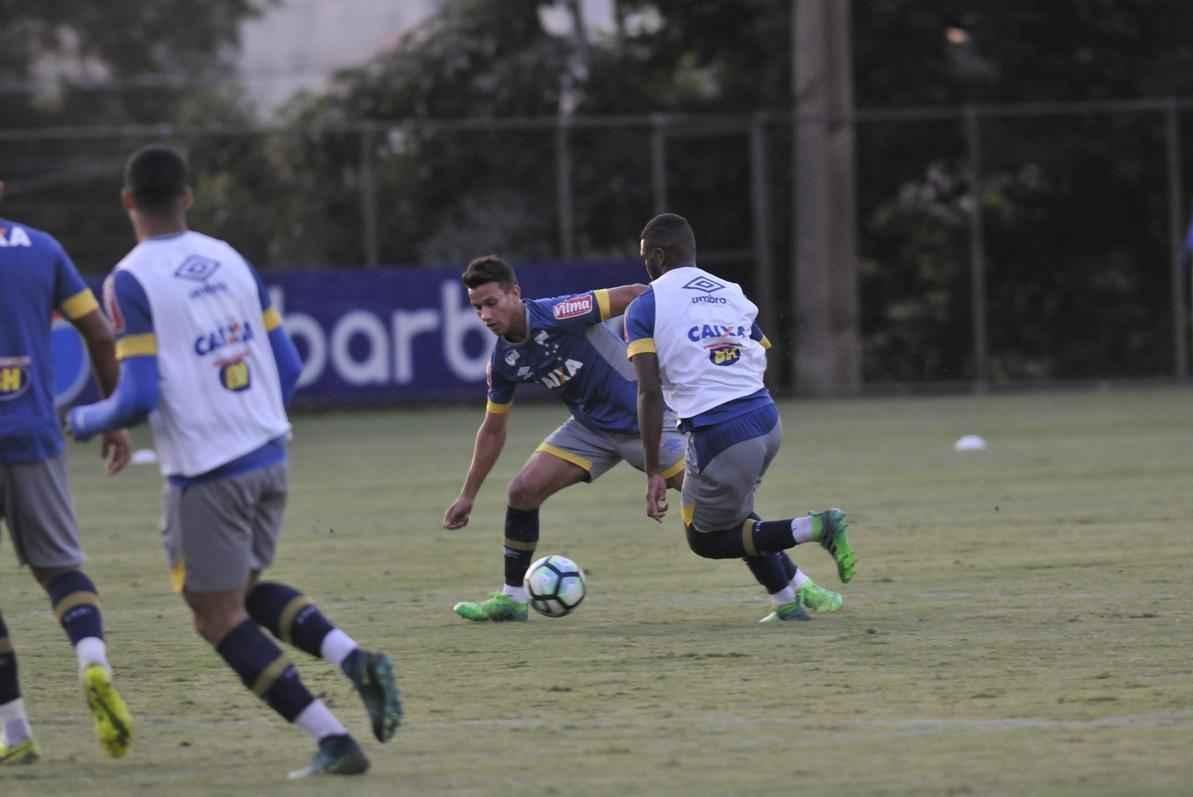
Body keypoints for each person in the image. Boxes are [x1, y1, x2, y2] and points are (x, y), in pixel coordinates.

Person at [64, 145, 402, 778]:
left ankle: (332, 738)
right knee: (241, 590)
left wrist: (82, 419)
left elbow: (136, 396)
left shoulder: (129, 279)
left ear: (128, 202)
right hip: (270, 453)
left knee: (214, 617)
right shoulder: (230, 257)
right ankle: (353, 659)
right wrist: (251, 421)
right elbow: (291, 366)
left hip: (208, 473)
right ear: (188, 197)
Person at [444, 255, 843, 622]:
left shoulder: (559, 312)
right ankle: (514, 599)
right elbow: (492, 429)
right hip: (590, 430)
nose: (484, 314)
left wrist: (670, 329)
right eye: (477, 307)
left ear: (515, 293)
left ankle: (792, 594)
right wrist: (468, 495)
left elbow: (637, 294)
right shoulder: (504, 359)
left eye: (492, 302)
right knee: (522, 491)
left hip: (648, 424)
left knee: (720, 510)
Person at [624, 213, 858, 623]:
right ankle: (788, 601)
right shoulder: (729, 291)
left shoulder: (646, 305)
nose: (644, 264)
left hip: (719, 432)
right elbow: (760, 348)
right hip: (766, 420)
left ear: (659, 256)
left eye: (646, 257)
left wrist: (653, 471)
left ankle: (818, 527)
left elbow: (647, 390)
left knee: (705, 538)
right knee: (736, 515)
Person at [0, 179, 134, 765]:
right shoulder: (42, 248)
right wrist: (113, 417)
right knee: (60, 569)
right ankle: (92, 658)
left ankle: (14, 732)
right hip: (33, 434)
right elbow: (101, 335)